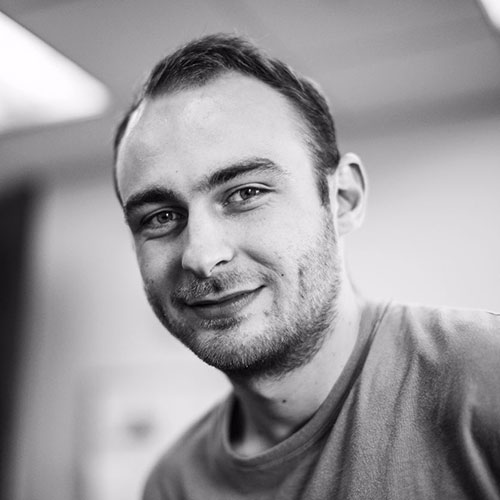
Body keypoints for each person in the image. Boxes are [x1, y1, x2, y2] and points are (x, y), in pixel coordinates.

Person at [113, 33, 500, 500]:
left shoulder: (487, 376)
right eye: (160, 217)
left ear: (343, 199)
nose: (200, 255)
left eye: (246, 193)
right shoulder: (173, 484)